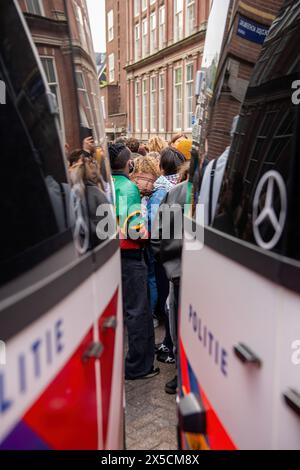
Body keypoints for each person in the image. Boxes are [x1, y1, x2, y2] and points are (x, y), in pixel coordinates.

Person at [108, 143, 159, 380]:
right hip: (130, 254)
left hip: (112, 254)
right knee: (138, 311)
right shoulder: (128, 188)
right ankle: (138, 366)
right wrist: (148, 236)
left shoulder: (108, 183)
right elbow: (133, 229)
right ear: (128, 164)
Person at [151, 162, 190, 394]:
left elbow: (157, 236)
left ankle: (181, 373)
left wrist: (170, 267)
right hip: (191, 275)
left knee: (179, 325)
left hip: (180, 274)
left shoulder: (176, 192)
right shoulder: (182, 193)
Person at [148, 147, 185, 365]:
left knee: (170, 305)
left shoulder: (164, 189)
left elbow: (159, 228)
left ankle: (170, 348)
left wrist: (160, 254)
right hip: (184, 255)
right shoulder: (186, 188)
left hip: (169, 257)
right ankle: (171, 346)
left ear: (161, 166)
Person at [130, 155, 161, 328]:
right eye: (144, 180)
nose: (148, 184)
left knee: (149, 278)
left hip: (145, 241)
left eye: (150, 181)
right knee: (149, 278)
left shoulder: (142, 193)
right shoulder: (148, 192)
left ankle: (149, 316)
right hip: (144, 240)